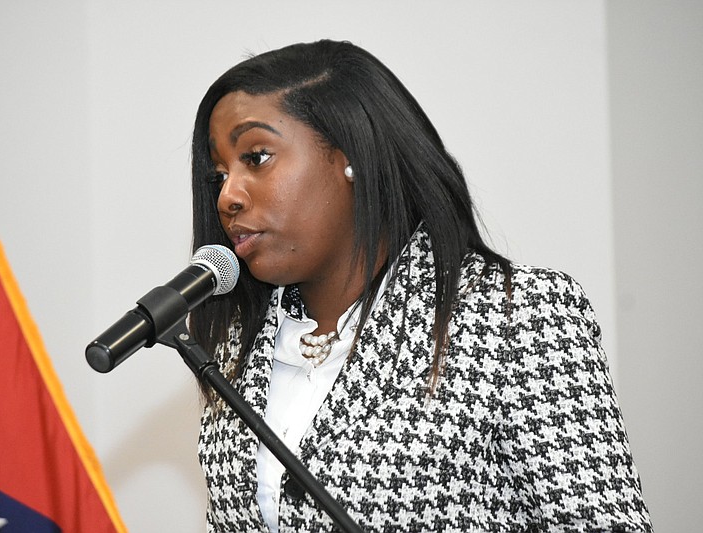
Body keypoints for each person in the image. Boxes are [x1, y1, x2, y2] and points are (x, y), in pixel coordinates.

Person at [188, 40, 652, 532]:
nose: (228, 196)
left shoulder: (515, 318)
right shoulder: (242, 342)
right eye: (219, 174)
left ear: (354, 158)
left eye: (256, 157)